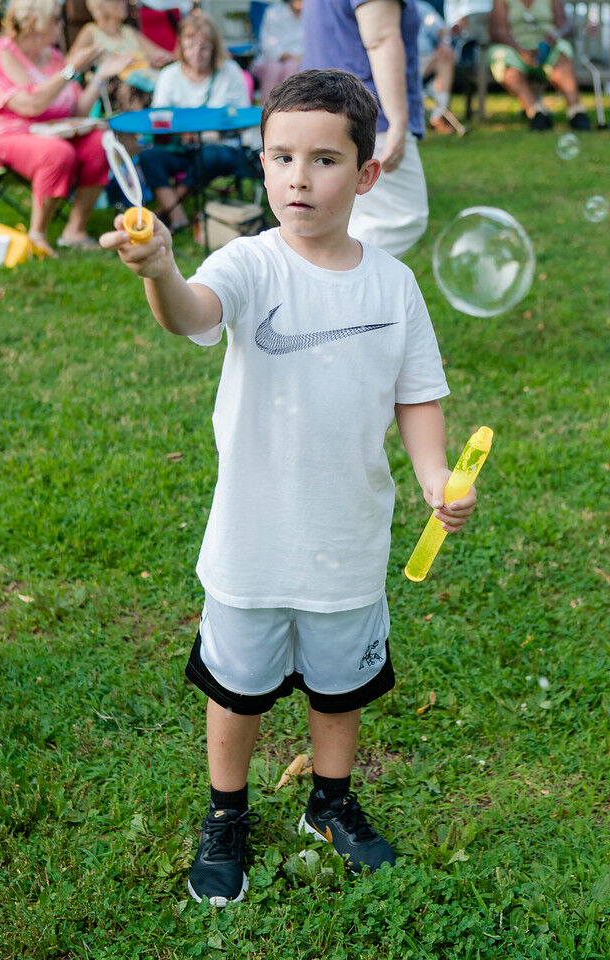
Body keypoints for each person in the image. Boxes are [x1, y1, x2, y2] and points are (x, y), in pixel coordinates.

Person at [101, 68, 477, 906]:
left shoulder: (393, 286)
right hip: (253, 540)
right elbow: (195, 312)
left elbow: (417, 394)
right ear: (263, 163)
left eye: (323, 160)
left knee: (342, 686)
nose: (298, 178)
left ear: (366, 173)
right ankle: (226, 813)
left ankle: (328, 804)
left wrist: (433, 476)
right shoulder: (249, 262)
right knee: (236, 691)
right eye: (280, 157)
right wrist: (161, 270)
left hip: (349, 536)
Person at [0, 0, 130, 255]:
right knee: (57, 152)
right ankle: (37, 235)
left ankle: (75, 231)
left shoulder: (53, 57)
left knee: (101, 142)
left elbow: (76, 112)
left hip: (52, 134)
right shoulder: (0, 53)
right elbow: (30, 105)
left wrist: (100, 77)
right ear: (35, 22)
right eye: (56, 19)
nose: (60, 24)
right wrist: (71, 70)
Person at [301, 0, 428, 259]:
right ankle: (326, 276)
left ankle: (321, 273)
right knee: (402, 217)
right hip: (365, 116)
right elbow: (380, 39)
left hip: (325, 110)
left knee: (346, 222)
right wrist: (398, 121)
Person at [137, 12, 257, 233]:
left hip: (221, 147)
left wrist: (210, 132)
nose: (196, 53)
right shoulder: (169, 75)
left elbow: (242, 118)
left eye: (204, 47)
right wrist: (182, 134)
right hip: (181, 147)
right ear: (181, 46)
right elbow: (159, 119)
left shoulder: (230, 72)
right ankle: (178, 217)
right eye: (190, 46)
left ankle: (166, 210)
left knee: (209, 156)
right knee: (149, 157)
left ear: (214, 48)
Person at [488, 0, 591, 129]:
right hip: (513, 47)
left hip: (548, 46)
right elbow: (498, 31)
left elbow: (564, 23)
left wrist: (556, 34)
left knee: (562, 55)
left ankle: (576, 111)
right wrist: (520, 51)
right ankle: (536, 112)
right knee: (506, 65)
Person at [68, 0, 174, 112]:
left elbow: (162, 55)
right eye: (117, 1)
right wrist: (93, 57)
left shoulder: (128, 31)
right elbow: (69, 63)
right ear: (101, 5)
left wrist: (155, 60)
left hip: (148, 81)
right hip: (120, 89)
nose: (124, 3)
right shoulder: (91, 31)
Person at [416, 0, 458, 133]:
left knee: (446, 58)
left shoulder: (421, 7)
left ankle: (438, 115)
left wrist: (445, 43)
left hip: (424, 60)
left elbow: (441, 28)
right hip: (397, 62)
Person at [252, 0, 303, 104]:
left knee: (292, 66)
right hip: (269, 61)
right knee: (274, 68)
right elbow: (268, 46)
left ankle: (287, 106)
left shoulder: (312, 15)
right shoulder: (273, 12)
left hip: (298, 63)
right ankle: (267, 107)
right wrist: (290, 57)